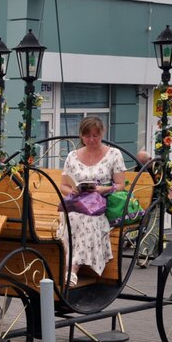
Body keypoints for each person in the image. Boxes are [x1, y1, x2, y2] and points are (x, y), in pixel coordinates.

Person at [57, 116, 125, 287]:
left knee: (84, 219)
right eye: (88, 136)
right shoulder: (73, 156)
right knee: (70, 217)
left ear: (102, 133)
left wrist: (105, 189)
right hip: (77, 203)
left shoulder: (113, 154)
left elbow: (121, 185)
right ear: (81, 136)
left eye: (96, 135)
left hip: (99, 205)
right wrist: (73, 189)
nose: (92, 140)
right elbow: (63, 186)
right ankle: (67, 266)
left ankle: (72, 270)